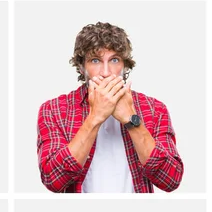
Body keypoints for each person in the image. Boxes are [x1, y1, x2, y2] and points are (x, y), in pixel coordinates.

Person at [37, 22, 183, 193]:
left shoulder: (154, 109)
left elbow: (171, 179)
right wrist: (95, 118)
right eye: (95, 60)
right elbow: (53, 180)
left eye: (114, 60)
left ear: (124, 65)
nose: (106, 72)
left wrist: (131, 119)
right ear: (82, 67)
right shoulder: (54, 109)